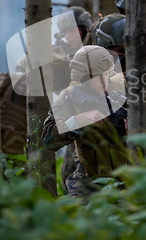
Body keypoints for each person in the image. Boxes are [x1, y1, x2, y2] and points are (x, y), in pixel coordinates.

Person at [43, 45, 128, 197]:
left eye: (107, 74)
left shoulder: (122, 88)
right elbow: (48, 139)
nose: (104, 80)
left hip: (127, 178)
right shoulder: (69, 97)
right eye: (97, 76)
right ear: (83, 76)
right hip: (89, 182)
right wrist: (77, 121)